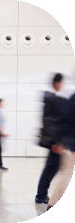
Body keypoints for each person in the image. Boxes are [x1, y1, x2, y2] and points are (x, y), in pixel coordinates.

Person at [35, 73, 67, 204]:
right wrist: (55, 142)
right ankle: (41, 195)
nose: (62, 85)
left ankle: (42, 194)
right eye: (61, 82)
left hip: (52, 139)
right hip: (54, 140)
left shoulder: (49, 99)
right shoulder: (52, 99)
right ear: (57, 83)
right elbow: (51, 122)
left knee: (52, 166)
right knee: (51, 167)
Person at [47, 76, 75, 211]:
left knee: (66, 173)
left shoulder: (72, 98)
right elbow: (65, 121)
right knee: (66, 174)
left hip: (69, 143)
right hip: (71, 144)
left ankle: (53, 202)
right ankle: (52, 203)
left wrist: (60, 141)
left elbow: (64, 121)